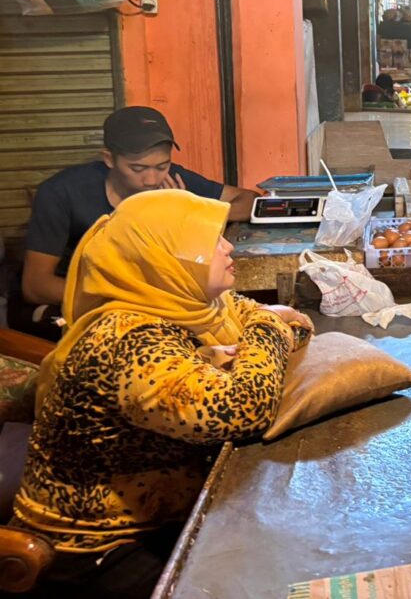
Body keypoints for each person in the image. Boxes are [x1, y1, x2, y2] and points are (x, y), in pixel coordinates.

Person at [14, 189, 312, 599]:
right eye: (212, 241)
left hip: (167, 510)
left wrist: (262, 335)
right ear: (163, 260)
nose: (228, 247)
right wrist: (268, 328)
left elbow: (297, 326)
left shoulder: (195, 305)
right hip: (98, 547)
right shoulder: (129, 340)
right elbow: (243, 408)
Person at [19, 107, 261, 336]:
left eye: (162, 166)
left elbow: (249, 200)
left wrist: (188, 212)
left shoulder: (171, 181)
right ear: (109, 159)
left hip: (150, 303)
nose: (151, 179)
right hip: (77, 302)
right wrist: (133, 299)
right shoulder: (62, 193)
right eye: (137, 168)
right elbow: (35, 286)